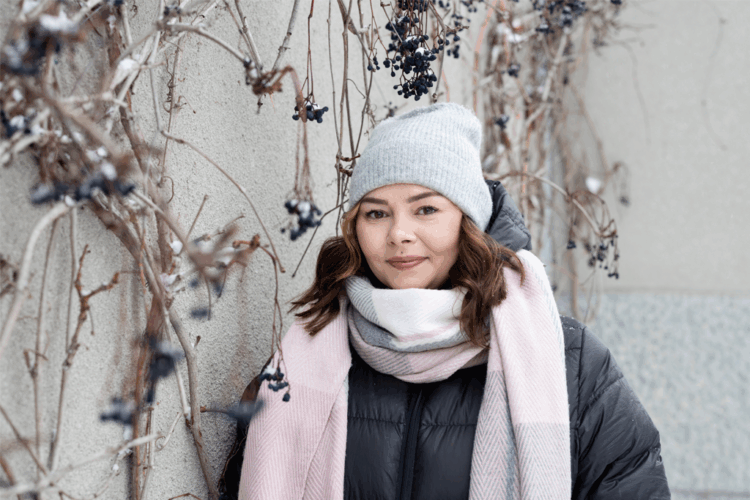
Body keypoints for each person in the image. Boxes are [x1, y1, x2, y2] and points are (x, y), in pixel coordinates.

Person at [223, 103, 671, 500]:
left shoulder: (567, 360)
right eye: (376, 213)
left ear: (467, 222)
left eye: (426, 209)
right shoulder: (305, 354)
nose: (399, 233)